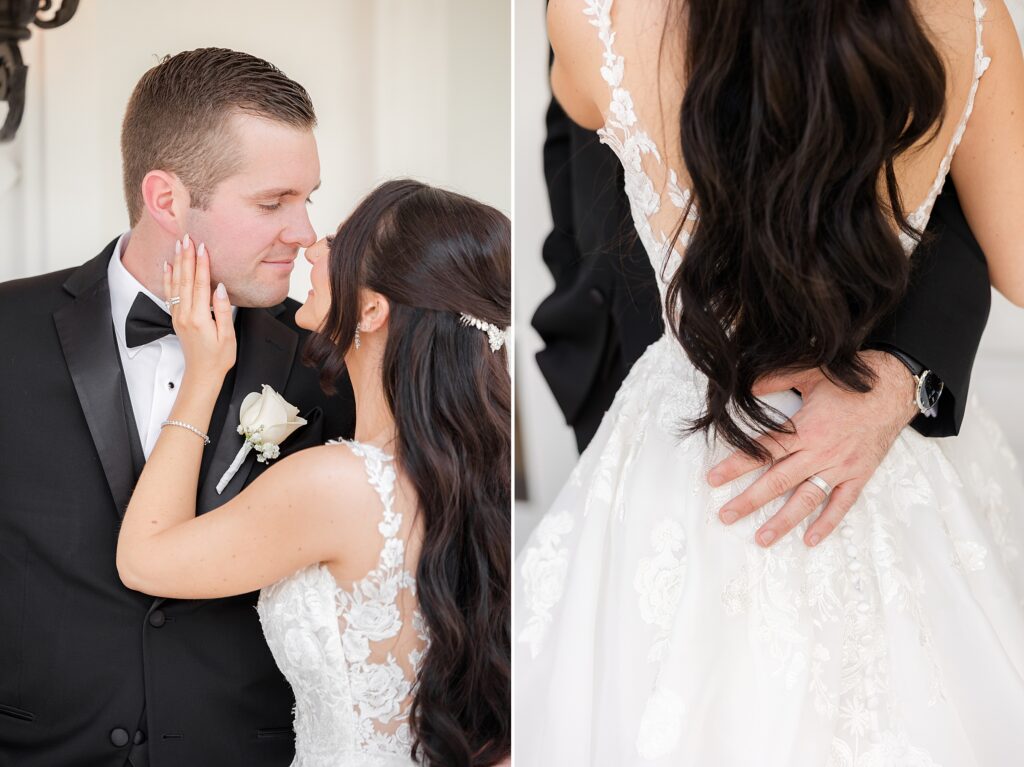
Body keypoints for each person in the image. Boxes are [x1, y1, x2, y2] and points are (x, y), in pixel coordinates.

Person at [516, 1, 1024, 764]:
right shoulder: (966, 18)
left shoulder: (596, 21)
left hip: (691, 459)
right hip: (889, 484)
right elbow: (1017, 258)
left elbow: (586, 115)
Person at [0, 48, 354, 766]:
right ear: (166, 200)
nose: (305, 232)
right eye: (272, 202)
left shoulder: (321, 360)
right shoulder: (7, 332)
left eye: (307, 197)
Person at [116, 179, 511, 767]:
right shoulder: (478, 469)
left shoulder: (337, 483)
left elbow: (142, 559)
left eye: (339, 242)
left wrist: (202, 376)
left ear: (372, 309)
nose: (313, 247)